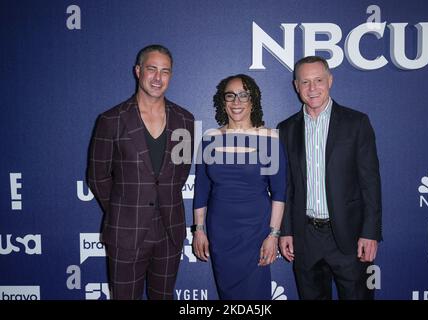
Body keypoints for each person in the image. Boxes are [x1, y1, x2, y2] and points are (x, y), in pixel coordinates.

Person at [88, 44, 194, 300]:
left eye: (165, 71)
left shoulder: (185, 120)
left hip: (169, 230)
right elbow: (97, 176)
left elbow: (180, 173)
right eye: (152, 69)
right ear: (138, 71)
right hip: (126, 231)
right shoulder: (111, 120)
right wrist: (122, 208)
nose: (158, 78)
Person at [277, 56, 382, 300]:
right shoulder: (286, 129)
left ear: (330, 81)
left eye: (318, 80)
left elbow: (370, 182)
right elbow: (287, 187)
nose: (312, 88)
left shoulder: (356, 123)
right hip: (306, 238)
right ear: (296, 86)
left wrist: (370, 232)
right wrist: (286, 231)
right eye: (305, 82)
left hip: (349, 238)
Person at [192, 74, 287, 300]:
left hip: (255, 232)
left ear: (253, 100)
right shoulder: (209, 139)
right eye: (230, 96)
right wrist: (199, 230)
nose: (237, 102)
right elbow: (201, 191)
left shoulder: (270, 138)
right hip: (221, 232)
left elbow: (280, 193)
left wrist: (273, 234)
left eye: (244, 95)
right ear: (222, 102)